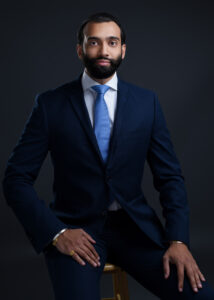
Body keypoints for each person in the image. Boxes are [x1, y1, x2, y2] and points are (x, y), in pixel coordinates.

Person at [2, 12, 214, 300]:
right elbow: (15, 179)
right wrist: (57, 233)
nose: (103, 51)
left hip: (137, 232)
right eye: (94, 42)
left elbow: (170, 177)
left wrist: (178, 239)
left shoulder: (146, 103)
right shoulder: (50, 105)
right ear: (80, 50)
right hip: (76, 232)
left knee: (201, 296)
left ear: (123, 50)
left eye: (112, 42)